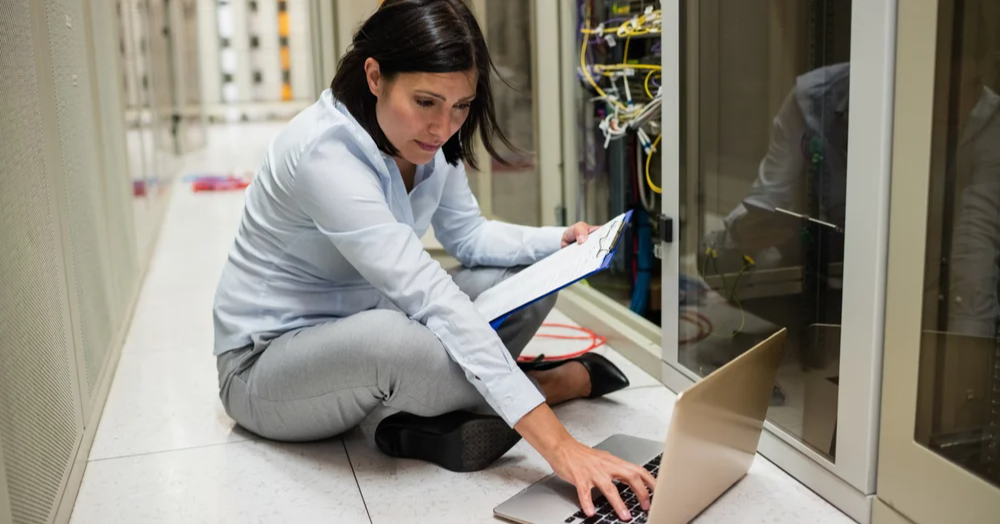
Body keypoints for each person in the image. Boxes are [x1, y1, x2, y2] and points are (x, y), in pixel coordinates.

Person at [211, 1, 653, 521]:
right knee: (393, 339)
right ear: (375, 75)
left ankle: (436, 410)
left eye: (461, 105)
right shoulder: (322, 153)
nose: (443, 127)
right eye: (426, 101)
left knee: (524, 280)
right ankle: (544, 386)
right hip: (265, 370)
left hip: (372, 328)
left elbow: (469, 237)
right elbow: (431, 296)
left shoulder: (429, 140)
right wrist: (561, 448)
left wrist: (559, 244)